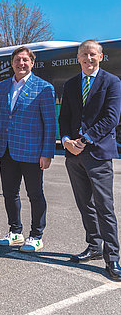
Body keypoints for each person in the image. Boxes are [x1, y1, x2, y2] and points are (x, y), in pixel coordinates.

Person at [58, 39, 121, 281]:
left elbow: (112, 118)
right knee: (85, 205)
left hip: (98, 154)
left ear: (101, 57)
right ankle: (94, 246)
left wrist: (84, 139)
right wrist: (65, 140)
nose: (88, 58)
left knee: (105, 208)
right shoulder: (71, 84)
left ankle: (112, 257)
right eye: (84, 55)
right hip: (73, 156)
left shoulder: (112, 82)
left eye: (92, 54)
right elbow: (65, 117)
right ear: (78, 58)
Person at [0, 46, 56, 252]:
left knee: (35, 194)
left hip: (32, 151)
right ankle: (15, 232)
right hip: (7, 150)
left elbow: (50, 123)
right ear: (12, 63)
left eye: (25, 60)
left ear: (32, 63)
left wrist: (47, 153)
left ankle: (36, 235)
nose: (21, 63)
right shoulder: (2, 86)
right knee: (9, 193)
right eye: (17, 60)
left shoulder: (43, 87)